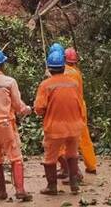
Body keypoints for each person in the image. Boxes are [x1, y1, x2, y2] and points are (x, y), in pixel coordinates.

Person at [0, 47, 33, 202]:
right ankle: (20, 190)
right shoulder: (9, 82)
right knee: (16, 158)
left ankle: (2, 192)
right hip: (5, 125)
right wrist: (28, 109)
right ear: (3, 64)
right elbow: (18, 106)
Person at [34, 48, 84, 195]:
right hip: (75, 125)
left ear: (49, 68)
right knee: (72, 154)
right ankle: (74, 184)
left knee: (50, 157)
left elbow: (39, 108)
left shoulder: (45, 85)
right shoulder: (73, 83)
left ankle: (51, 186)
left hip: (55, 127)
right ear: (64, 67)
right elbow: (79, 102)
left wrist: (44, 112)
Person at [56, 47, 97, 180]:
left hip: (68, 108)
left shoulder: (63, 73)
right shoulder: (77, 72)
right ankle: (91, 165)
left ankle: (71, 170)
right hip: (80, 106)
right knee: (84, 138)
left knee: (65, 140)